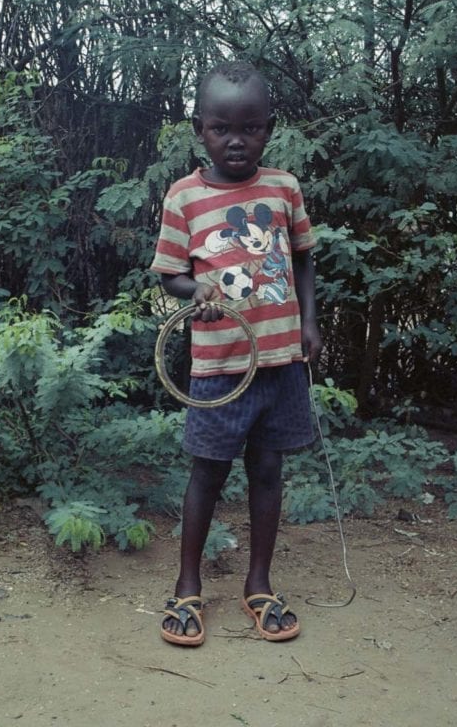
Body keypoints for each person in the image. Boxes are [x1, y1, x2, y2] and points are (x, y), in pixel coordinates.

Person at [150, 61, 321, 646]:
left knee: (268, 471)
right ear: (201, 129)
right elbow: (170, 274)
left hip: (280, 362)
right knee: (207, 473)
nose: (236, 140)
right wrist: (194, 290)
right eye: (222, 128)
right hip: (220, 367)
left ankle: (259, 584)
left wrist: (311, 324)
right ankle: (187, 586)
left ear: (268, 128)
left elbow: (302, 257)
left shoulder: (284, 189)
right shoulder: (184, 198)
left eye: (249, 128)